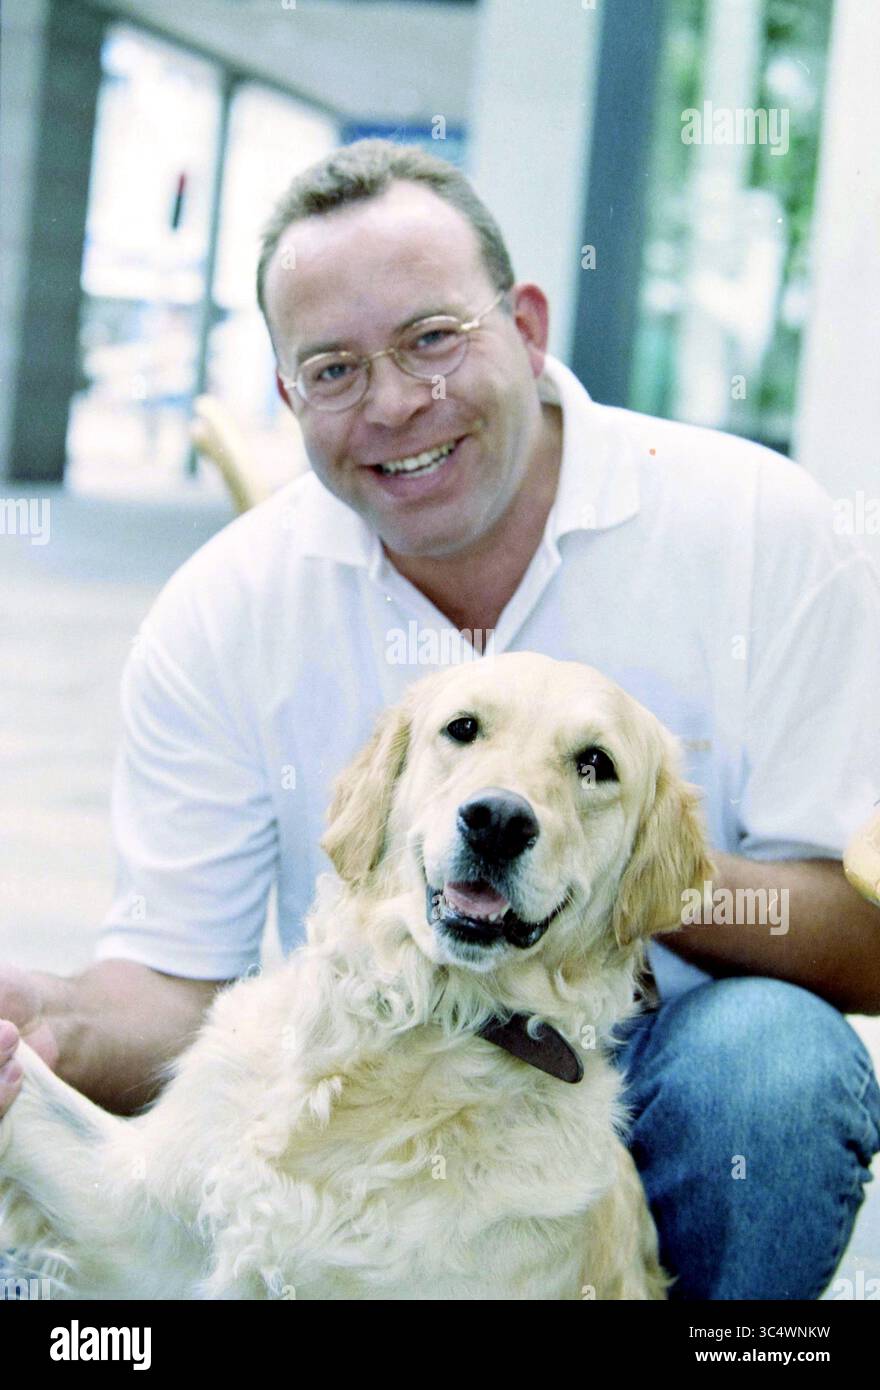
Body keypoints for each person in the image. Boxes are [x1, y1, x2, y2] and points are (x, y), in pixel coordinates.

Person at [2, 140, 879, 1299]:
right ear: (287, 394)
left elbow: (865, 941)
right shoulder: (224, 609)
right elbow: (175, 978)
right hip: (359, 1022)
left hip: (645, 1064)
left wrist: (614, 865)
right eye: (332, 369)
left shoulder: (759, 525)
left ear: (524, 324)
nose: (396, 403)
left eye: (432, 338)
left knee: (774, 1062)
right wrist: (44, 1029)